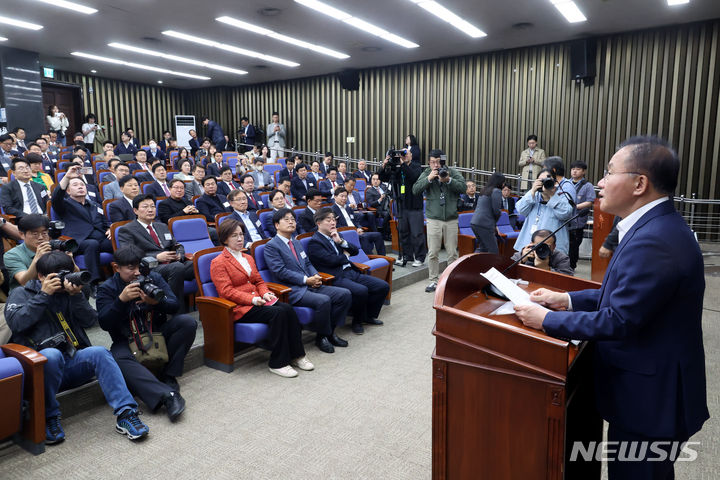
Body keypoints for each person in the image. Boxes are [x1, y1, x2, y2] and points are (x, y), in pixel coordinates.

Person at [514, 136, 708, 479]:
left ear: (639, 184)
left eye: (608, 172)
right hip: (646, 392)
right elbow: (622, 295)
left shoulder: (656, 239)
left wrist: (546, 320)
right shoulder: (652, 226)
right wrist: (567, 299)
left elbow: (620, 319)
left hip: (651, 401)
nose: (599, 182)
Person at [6, 251, 149, 443]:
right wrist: (43, 295)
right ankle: (49, 417)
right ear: (41, 276)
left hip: (72, 362)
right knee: (52, 355)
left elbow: (91, 321)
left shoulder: (70, 293)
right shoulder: (20, 293)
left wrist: (76, 296)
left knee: (99, 352)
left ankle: (126, 414)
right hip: (40, 370)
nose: (64, 280)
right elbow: (17, 324)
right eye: (57, 275)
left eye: (67, 273)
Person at [97, 245, 196, 422]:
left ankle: (168, 375)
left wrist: (156, 302)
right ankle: (167, 395)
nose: (136, 273)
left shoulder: (153, 277)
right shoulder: (107, 288)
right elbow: (104, 323)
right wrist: (121, 301)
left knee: (187, 322)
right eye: (130, 268)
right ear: (116, 267)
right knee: (116, 358)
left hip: (156, 332)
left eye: (139, 267)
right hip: (126, 339)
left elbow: (174, 305)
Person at [211, 219, 312, 377]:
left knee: (288, 309)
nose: (239, 239)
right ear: (225, 239)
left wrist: (264, 293)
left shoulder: (248, 258)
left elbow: (258, 281)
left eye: (241, 235)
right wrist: (252, 299)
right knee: (278, 313)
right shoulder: (218, 262)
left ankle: (297, 355)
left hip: (259, 300)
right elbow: (226, 291)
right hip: (240, 307)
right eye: (234, 236)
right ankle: (277, 363)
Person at [263, 208, 352, 354]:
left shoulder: (296, 243)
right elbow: (280, 271)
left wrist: (316, 276)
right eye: (286, 219)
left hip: (310, 283)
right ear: (276, 225)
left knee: (344, 294)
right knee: (323, 300)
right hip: (292, 289)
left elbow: (308, 263)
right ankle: (322, 337)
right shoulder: (271, 246)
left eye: (292, 219)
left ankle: (329, 333)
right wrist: (306, 280)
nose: (291, 221)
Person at [307, 208, 388, 335]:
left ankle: (368, 316)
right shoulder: (314, 242)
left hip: (351, 271)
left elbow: (355, 251)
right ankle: (357, 321)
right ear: (319, 223)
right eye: (329, 220)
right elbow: (331, 261)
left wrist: (340, 242)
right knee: (361, 290)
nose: (333, 223)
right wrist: (345, 256)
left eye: (334, 219)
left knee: (382, 286)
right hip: (336, 277)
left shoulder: (337, 235)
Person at [116, 194, 196, 306]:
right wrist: (156, 257)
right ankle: (172, 307)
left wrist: (179, 255)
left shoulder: (161, 226)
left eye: (153, 206)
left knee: (200, 264)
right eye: (145, 207)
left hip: (172, 263)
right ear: (135, 210)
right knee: (177, 267)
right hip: (149, 268)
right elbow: (129, 255)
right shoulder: (127, 230)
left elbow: (177, 245)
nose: (150, 210)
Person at [413, 149, 465, 292]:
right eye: (432, 162)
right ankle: (433, 281)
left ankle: (451, 280)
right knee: (433, 252)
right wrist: (429, 178)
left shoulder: (451, 172)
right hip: (433, 219)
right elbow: (415, 189)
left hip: (451, 219)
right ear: (429, 162)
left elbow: (464, 187)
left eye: (438, 162)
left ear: (443, 161)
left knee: (452, 253)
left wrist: (448, 180)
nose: (436, 165)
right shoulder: (426, 173)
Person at [51, 166, 112, 288]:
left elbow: (105, 222)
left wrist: (110, 229)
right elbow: (56, 197)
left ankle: (124, 274)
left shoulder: (94, 205)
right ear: (68, 191)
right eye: (75, 185)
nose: (80, 186)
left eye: (82, 185)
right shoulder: (64, 205)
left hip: (100, 237)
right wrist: (67, 177)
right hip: (78, 241)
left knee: (118, 240)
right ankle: (92, 283)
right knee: (92, 244)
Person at [513, 167, 574, 255]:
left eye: (548, 180)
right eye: (542, 180)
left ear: (555, 182)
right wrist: (532, 191)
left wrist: (551, 196)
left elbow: (566, 214)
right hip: (529, 245)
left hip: (552, 248)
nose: (545, 183)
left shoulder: (562, 196)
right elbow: (520, 210)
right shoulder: (533, 196)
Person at [380, 149, 425, 267]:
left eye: (406, 154)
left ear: (411, 155)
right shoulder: (398, 167)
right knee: (403, 232)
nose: (404, 156)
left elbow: (413, 177)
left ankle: (419, 257)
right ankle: (407, 255)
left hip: (415, 206)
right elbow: (384, 178)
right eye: (402, 155)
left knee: (417, 233)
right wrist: (384, 166)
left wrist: (403, 164)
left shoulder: (417, 166)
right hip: (401, 205)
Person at [4, 214, 60, 291]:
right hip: (26, 296)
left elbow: (73, 275)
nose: (40, 238)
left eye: (44, 233)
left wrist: (69, 259)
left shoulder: (54, 248)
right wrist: (38, 257)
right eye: (35, 234)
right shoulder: (11, 255)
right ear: (22, 235)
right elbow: (24, 282)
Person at [333, 187, 386, 255]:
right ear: (335, 197)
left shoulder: (348, 208)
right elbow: (337, 226)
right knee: (364, 238)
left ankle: (383, 258)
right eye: (342, 196)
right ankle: (370, 259)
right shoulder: (332, 210)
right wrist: (354, 231)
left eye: (346, 196)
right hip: (346, 234)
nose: (344, 198)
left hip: (356, 231)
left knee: (378, 235)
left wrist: (359, 228)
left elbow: (355, 221)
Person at [567, 161, 596, 269]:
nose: (574, 171)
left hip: (577, 222)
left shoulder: (588, 186)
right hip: (565, 220)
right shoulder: (566, 183)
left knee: (574, 247)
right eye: (573, 169)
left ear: (583, 172)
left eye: (578, 169)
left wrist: (576, 206)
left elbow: (590, 201)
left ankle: (571, 268)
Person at [470, 172, 505, 254]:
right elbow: (496, 210)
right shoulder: (497, 191)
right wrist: (495, 223)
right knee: (493, 251)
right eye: (503, 182)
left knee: (483, 248)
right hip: (485, 224)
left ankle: (471, 263)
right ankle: (489, 266)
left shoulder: (484, 190)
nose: (504, 184)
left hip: (475, 223)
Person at [364, 173, 392, 240]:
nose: (376, 181)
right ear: (371, 181)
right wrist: (380, 199)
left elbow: (391, 194)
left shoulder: (384, 187)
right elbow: (372, 203)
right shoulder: (369, 191)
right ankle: (385, 234)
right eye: (374, 179)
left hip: (388, 207)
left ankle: (395, 234)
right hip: (378, 210)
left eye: (377, 179)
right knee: (387, 214)